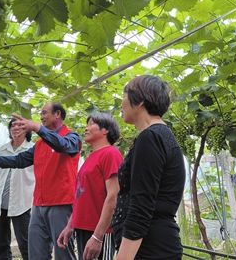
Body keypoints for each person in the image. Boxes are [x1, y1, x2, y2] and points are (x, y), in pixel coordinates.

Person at [0, 102, 81, 260]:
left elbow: (62, 146)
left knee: (63, 252)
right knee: (35, 252)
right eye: (40, 114)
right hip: (38, 205)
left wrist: (37, 128)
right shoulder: (40, 144)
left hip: (61, 204)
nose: (41, 117)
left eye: (44, 113)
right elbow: (18, 160)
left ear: (57, 114)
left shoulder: (72, 137)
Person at [111, 75, 186, 260]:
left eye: (125, 95)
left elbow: (141, 207)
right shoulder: (161, 135)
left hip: (149, 248)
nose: (121, 103)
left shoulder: (150, 138)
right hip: (156, 244)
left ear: (140, 101)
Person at [57, 112, 123, 260]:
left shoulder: (111, 154)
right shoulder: (91, 157)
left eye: (91, 124)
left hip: (101, 232)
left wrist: (98, 237)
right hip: (83, 229)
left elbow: (113, 197)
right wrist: (70, 225)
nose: (86, 128)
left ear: (105, 130)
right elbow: (81, 196)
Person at [0, 118, 34, 260]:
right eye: (12, 125)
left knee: (26, 242)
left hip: (23, 203)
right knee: (1, 243)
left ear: (27, 129)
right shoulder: (2, 149)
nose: (15, 127)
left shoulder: (32, 149)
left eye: (20, 125)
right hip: (0, 203)